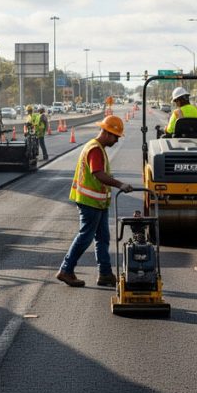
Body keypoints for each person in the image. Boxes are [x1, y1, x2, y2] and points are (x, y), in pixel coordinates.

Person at [57, 115, 135, 287]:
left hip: (98, 202)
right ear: (107, 133)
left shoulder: (99, 147)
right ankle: (66, 269)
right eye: (115, 136)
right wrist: (119, 184)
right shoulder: (95, 149)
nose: (116, 140)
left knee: (103, 237)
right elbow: (97, 174)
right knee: (86, 236)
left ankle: (105, 273)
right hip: (89, 201)